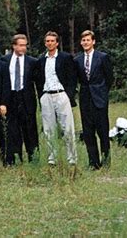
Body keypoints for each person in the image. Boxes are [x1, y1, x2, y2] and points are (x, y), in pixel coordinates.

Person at [36, 32, 77, 166]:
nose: (50, 43)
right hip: (46, 95)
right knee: (48, 129)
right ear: (45, 43)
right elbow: (38, 80)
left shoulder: (65, 58)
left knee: (67, 127)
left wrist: (68, 95)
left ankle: (72, 158)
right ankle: (51, 158)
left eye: (52, 41)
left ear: (57, 43)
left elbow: (72, 78)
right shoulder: (41, 60)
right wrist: (41, 96)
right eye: (47, 41)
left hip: (61, 94)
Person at [74, 30, 113, 169]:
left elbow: (109, 78)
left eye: (88, 40)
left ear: (93, 41)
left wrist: (102, 91)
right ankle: (93, 163)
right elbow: (77, 79)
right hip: (85, 99)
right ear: (81, 42)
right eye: (83, 40)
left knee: (103, 131)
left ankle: (106, 161)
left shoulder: (102, 57)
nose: (85, 42)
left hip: (100, 99)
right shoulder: (77, 60)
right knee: (88, 133)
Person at [2, 34, 39, 165]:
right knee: (12, 130)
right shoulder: (4, 60)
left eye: (25, 45)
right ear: (14, 46)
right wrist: (3, 102)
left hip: (26, 98)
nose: (24, 48)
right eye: (21, 45)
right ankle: (13, 160)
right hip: (11, 98)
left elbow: (38, 83)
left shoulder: (32, 62)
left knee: (30, 130)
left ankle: (33, 158)